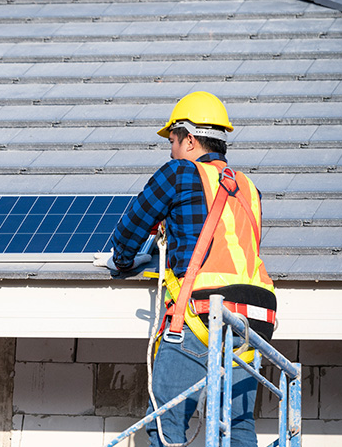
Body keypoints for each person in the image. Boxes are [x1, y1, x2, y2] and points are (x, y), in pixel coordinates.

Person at [94, 91, 276, 447]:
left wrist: (124, 262)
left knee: (166, 424)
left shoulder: (179, 172)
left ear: (190, 139)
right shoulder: (248, 188)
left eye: (173, 142)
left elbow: (130, 229)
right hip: (256, 321)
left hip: (203, 313)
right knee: (236, 426)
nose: (172, 151)